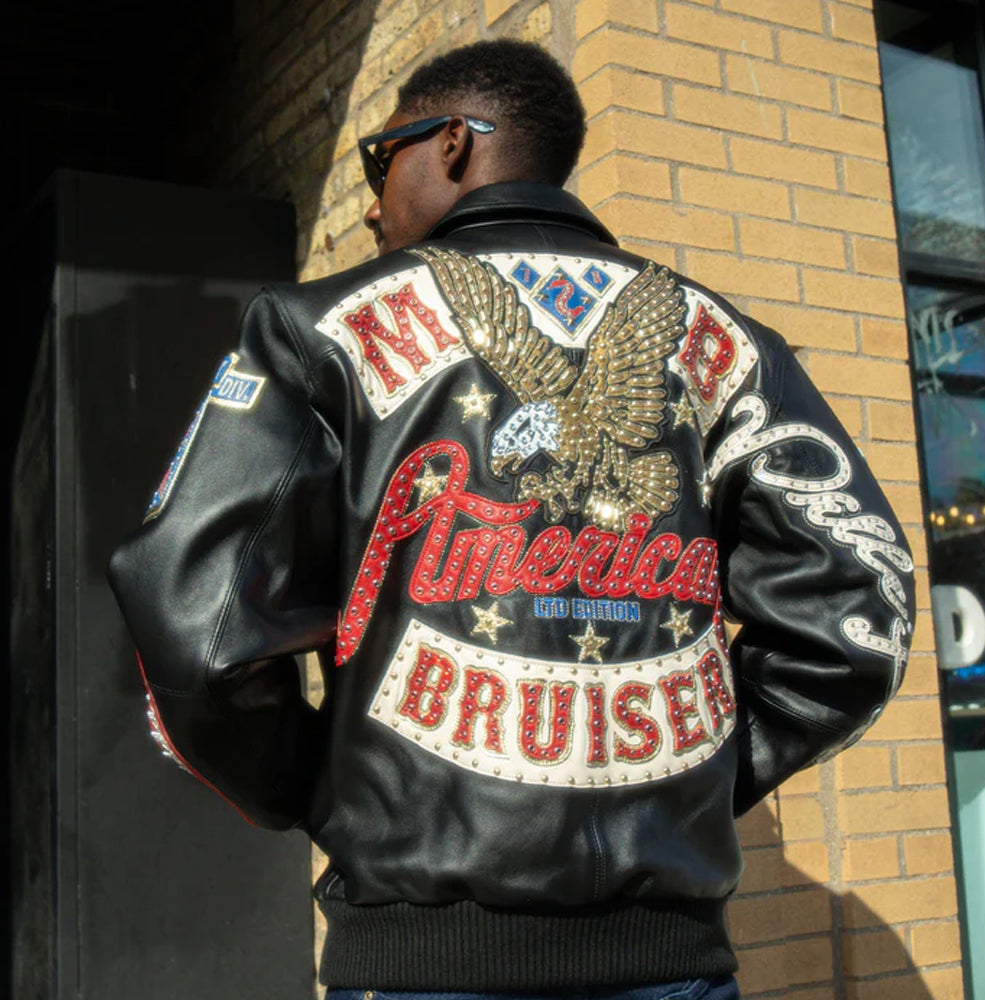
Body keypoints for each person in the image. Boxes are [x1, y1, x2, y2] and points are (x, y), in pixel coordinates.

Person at [108, 39, 916, 1000]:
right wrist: (697, 775)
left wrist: (318, 786)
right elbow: (861, 606)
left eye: (380, 158)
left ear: (451, 143)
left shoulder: (312, 329)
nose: (371, 201)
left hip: (422, 964)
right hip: (673, 967)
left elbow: (192, 617)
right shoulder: (731, 345)